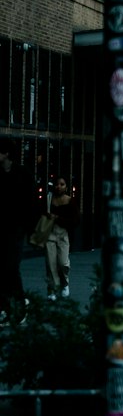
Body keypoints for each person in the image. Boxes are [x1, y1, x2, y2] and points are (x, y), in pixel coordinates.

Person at [0, 138, 36, 324]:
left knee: (11, 267)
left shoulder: (22, 173)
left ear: (6, 153)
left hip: (16, 228)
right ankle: (4, 309)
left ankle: (21, 306)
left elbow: (31, 202)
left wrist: (32, 230)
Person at [45, 175, 79, 300]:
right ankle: (52, 289)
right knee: (50, 263)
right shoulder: (48, 199)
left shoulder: (70, 201)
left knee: (63, 263)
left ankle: (64, 284)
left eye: (62, 184)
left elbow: (75, 221)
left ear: (66, 187)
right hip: (49, 234)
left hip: (63, 234)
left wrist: (58, 218)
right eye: (57, 184)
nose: (58, 186)